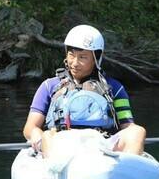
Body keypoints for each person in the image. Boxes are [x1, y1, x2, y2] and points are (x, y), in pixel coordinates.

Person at [22, 24, 147, 159]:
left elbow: (128, 125)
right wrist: (35, 134)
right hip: (62, 144)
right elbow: (30, 126)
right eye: (71, 55)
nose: (74, 63)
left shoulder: (114, 88)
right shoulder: (49, 86)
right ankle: (55, 170)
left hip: (102, 144)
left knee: (137, 131)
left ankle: (126, 171)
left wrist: (132, 135)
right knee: (46, 135)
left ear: (96, 58)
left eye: (82, 57)